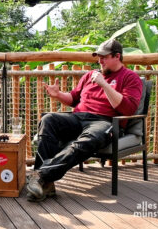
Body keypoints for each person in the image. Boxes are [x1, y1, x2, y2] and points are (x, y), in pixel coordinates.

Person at [27, 39, 143, 202]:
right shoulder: (89, 75)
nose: (100, 61)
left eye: (104, 57)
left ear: (117, 56)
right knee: (48, 119)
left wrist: (104, 85)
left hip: (104, 122)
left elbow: (128, 109)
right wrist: (59, 94)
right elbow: (74, 98)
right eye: (98, 57)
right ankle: (46, 183)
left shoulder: (130, 78)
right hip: (78, 117)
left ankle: (41, 175)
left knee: (88, 140)